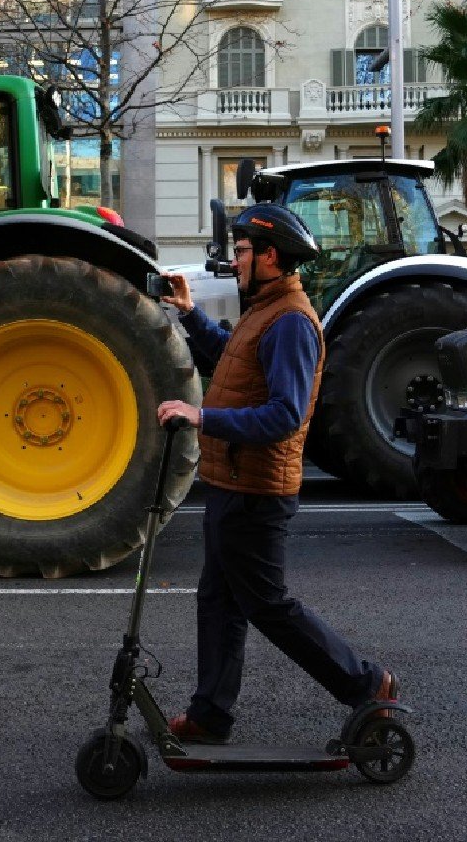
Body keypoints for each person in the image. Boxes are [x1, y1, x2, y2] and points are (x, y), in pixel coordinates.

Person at [155, 203, 398, 744]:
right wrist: (190, 314)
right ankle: (210, 714)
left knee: (268, 605)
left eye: (242, 251)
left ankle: (368, 686)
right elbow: (234, 357)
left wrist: (201, 416)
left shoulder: (290, 321)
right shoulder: (264, 310)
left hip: (256, 488)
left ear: (270, 255)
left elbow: (284, 415)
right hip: (232, 482)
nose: (235, 260)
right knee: (219, 600)